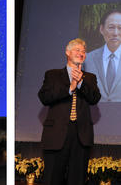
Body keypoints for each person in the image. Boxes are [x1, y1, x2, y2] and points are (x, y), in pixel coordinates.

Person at [38, 38, 101, 185]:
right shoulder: (52, 75)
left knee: (77, 179)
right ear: (67, 52)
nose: (81, 53)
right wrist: (70, 88)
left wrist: (81, 84)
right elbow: (44, 97)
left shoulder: (90, 78)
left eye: (84, 51)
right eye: (77, 50)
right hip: (56, 135)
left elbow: (95, 98)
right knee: (52, 178)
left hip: (81, 136)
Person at [84, 9, 121, 102]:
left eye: (120, 28)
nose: (115, 33)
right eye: (111, 27)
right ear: (101, 29)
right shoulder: (88, 59)